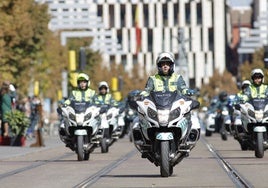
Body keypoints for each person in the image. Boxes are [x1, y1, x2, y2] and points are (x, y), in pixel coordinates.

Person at [59, 73, 96, 140]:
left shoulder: (92, 92)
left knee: (99, 120)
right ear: (78, 83)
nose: (82, 84)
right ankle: (67, 136)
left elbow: (96, 100)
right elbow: (69, 100)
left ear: (88, 83)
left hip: (87, 113)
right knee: (64, 120)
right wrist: (64, 104)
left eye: (84, 82)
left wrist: (98, 104)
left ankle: (97, 135)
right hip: (77, 112)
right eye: (81, 82)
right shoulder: (74, 92)